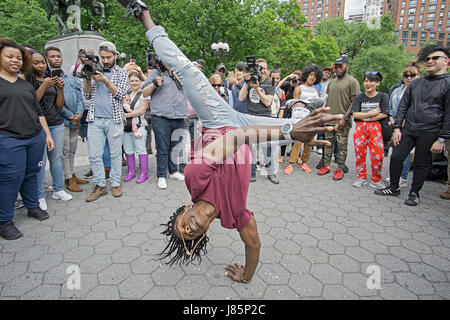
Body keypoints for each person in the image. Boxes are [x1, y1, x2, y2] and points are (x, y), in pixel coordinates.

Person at [114, 0, 343, 282]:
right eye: (189, 237)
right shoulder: (234, 215)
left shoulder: (195, 177)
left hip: (217, 117)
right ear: (203, 235)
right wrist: (247, 276)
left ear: (186, 210)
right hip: (245, 126)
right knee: (306, 126)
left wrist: (288, 134)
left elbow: (240, 136)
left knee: (186, 70)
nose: (188, 230)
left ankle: (144, 16)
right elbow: (253, 244)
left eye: (182, 226)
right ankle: (340, 119)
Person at [375, 45, 450, 206]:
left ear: (446, 62)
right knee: (396, 157)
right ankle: (394, 187)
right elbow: (403, 106)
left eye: (435, 58)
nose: (430, 61)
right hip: (408, 128)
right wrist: (396, 129)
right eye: (427, 59)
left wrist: (442, 139)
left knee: (422, 163)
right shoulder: (416, 84)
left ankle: (414, 193)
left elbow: (449, 114)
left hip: (431, 131)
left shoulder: (447, 83)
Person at [0, 39, 55, 240]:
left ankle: (32, 206)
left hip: (34, 137)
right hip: (8, 140)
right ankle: (5, 221)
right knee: (10, 179)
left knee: (32, 174)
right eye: (9, 56)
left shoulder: (25, 85)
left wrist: (46, 134)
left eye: (18, 58)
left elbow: (38, 111)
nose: (15, 61)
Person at [25, 49, 73, 210]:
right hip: (37, 126)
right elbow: (31, 104)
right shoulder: (27, 82)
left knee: (56, 158)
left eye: (42, 63)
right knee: (40, 161)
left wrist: (59, 89)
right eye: (36, 62)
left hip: (56, 122)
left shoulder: (49, 79)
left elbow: (59, 106)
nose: (41, 65)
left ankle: (58, 189)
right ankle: (39, 195)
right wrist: (44, 86)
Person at [83, 41, 129, 201]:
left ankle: (115, 184)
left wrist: (105, 80)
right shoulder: (94, 70)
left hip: (114, 119)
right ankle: (100, 185)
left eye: (108, 57)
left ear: (115, 55)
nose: (105, 60)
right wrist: (89, 79)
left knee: (115, 154)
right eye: (102, 57)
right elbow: (87, 96)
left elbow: (121, 95)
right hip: (95, 118)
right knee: (95, 155)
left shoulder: (121, 73)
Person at [142, 54, 187, 190]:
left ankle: (173, 171)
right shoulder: (155, 73)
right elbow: (144, 92)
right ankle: (162, 175)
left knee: (175, 147)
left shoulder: (179, 73)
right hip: (161, 117)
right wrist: (154, 84)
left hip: (179, 116)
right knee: (162, 148)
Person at [318, 55, 360, 180]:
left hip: (342, 121)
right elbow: (328, 100)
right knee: (327, 145)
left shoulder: (352, 81)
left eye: (340, 66)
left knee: (341, 147)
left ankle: (340, 169)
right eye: (335, 66)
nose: (337, 69)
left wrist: (345, 118)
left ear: (346, 66)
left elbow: (354, 102)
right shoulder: (331, 83)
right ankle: (326, 166)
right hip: (329, 120)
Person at [239, 57, 279, 184]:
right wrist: (246, 82)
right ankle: (251, 172)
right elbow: (241, 98)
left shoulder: (269, 83)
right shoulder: (249, 81)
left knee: (267, 147)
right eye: (259, 68)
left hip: (265, 118)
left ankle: (271, 172)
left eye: (264, 68)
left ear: (267, 70)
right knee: (250, 147)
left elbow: (268, 102)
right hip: (250, 118)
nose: (261, 71)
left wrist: (256, 88)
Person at [54, 49, 89, 193]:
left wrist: (79, 114)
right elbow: (56, 103)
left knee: (73, 150)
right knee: (65, 150)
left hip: (76, 119)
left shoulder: (70, 78)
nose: (56, 59)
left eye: (58, 56)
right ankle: (68, 178)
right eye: (52, 56)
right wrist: (70, 115)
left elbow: (80, 96)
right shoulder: (50, 79)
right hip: (63, 120)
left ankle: (73, 174)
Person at [385, 62, 423, 188]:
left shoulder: (422, 92)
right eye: (406, 75)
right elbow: (390, 106)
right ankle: (395, 176)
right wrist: (391, 118)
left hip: (411, 127)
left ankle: (403, 177)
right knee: (395, 152)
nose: (408, 78)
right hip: (395, 125)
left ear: (419, 76)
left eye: (412, 75)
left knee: (405, 153)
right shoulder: (396, 90)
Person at [351, 71, 389, 189]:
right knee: (360, 153)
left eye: (371, 81)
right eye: (366, 81)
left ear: (378, 83)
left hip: (376, 128)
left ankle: (376, 179)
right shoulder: (359, 97)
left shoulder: (383, 96)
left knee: (378, 155)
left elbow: (384, 114)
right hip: (360, 128)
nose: (368, 84)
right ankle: (361, 177)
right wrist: (371, 114)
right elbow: (355, 114)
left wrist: (367, 116)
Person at [285, 64, 323, 175]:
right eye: (310, 75)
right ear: (306, 75)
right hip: (301, 119)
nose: (312, 78)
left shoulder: (316, 90)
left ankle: (304, 162)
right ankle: (291, 163)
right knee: (298, 141)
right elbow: (295, 105)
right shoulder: (299, 88)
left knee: (309, 142)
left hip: (312, 118)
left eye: (315, 76)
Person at [122, 72, 150, 183]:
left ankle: (144, 173)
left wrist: (127, 114)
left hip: (139, 125)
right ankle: (131, 172)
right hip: (126, 126)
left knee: (140, 149)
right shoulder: (126, 94)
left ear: (140, 82)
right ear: (129, 82)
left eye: (136, 80)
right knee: (128, 150)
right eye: (132, 81)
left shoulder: (144, 94)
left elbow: (142, 110)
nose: (134, 83)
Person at [277, 70, 302, 163]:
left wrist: (297, 86)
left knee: (296, 135)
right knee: (284, 134)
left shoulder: (300, 87)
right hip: (286, 112)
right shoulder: (287, 85)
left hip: (296, 113)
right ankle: (282, 155)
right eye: (294, 78)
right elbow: (278, 86)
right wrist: (288, 77)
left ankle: (297, 156)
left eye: (297, 79)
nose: (295, 80)